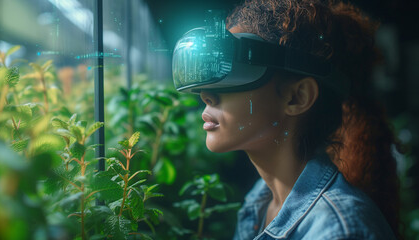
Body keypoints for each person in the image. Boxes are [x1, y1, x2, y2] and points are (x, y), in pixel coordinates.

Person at [172, 0, 402, 239]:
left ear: (297, 97)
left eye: (235, 71)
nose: (206, 95)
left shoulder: (337, 231)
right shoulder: (259, 204)